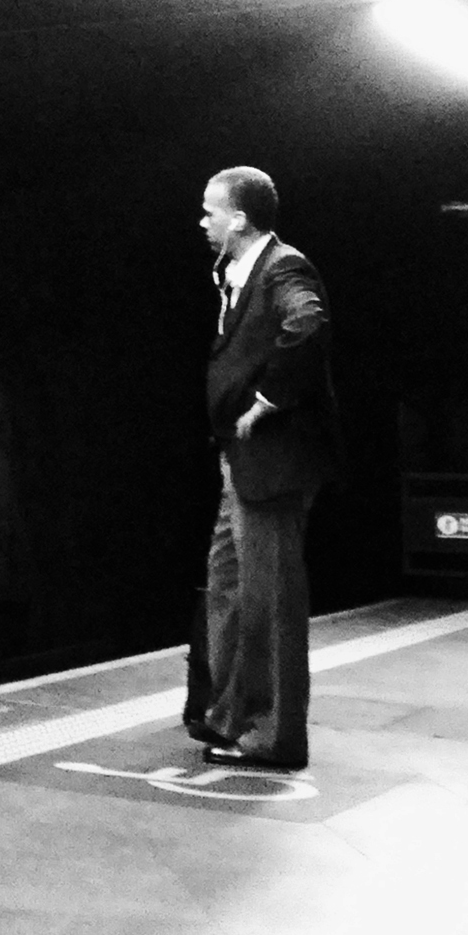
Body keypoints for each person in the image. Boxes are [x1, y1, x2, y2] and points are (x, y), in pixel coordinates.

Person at [189, 166, 338, 770]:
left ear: (240, 220)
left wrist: (265, 403)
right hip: (242, 462)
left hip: (274, 462)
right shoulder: (237, 271)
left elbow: (307, 325)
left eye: (210, 211)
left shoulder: (283, 268)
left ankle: (276, 737)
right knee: (226, 582)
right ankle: (229, 713)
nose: (202, 221)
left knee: (270, 597)